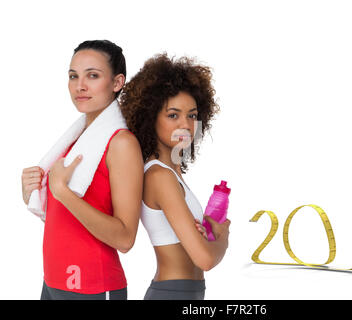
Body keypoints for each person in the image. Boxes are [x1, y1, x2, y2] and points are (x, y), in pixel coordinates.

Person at [21, 40, 143, 300]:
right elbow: (66, 220)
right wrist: (32, 193)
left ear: (117, 82)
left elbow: (125, 239)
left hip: (92, 286)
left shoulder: (121, 143)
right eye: (73, 76)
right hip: (53, 281)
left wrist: (62, 192)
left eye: (93, 75)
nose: (80, 86)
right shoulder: (76, 142)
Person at [120, 53, 230, 300]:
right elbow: (204, 259)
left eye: (191, 115)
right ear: (150, 118)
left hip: (188, 293)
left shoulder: (172, 173)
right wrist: (223, 239)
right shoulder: (159, 176)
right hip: (171, 294)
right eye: (173, 115)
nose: (186, 125)